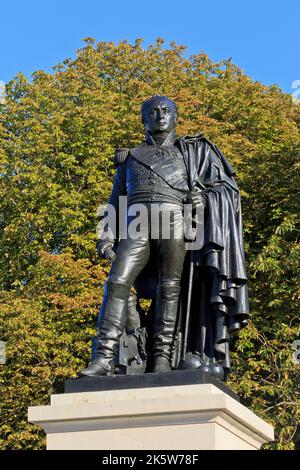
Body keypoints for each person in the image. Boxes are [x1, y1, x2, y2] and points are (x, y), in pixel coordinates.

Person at [79, 96, 249, 379]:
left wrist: (203, 198)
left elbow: (226, 188)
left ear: (175, 116)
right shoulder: (129, 157)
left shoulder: (193, 153)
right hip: (137, 222)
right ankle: (103, 358)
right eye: (153, 112)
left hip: (174, 219)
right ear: (143, 119)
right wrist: (106, 237)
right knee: (117, 281)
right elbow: (115, 200)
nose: (160, 115)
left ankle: (161, 358)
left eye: (166, 110)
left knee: (170, 288)